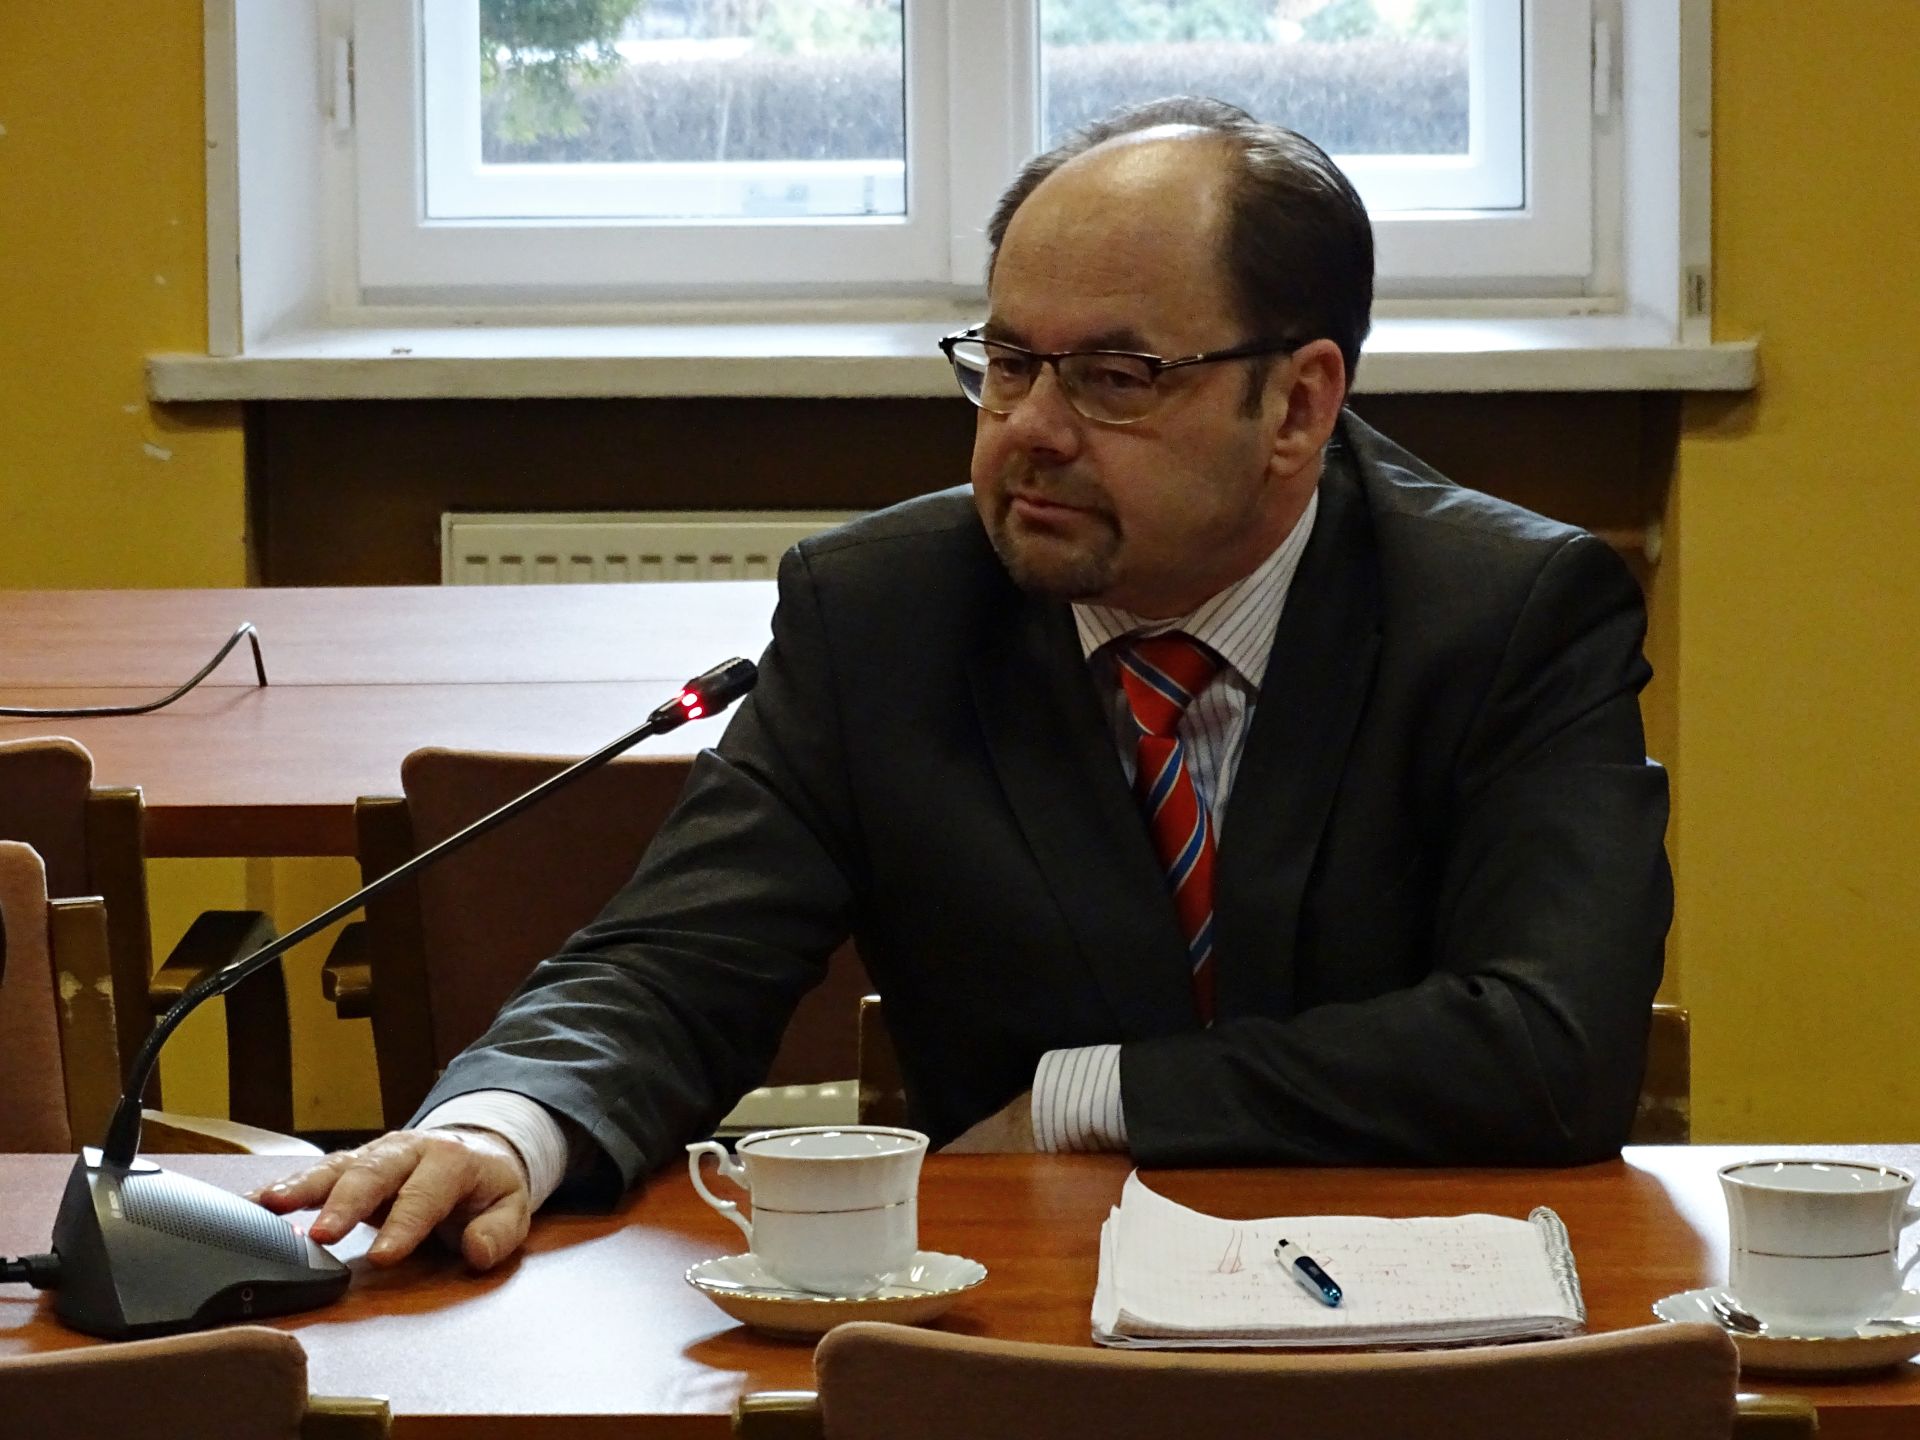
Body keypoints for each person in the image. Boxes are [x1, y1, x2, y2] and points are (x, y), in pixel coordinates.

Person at [255, 97, 1671, 1272]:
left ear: (1298, 405)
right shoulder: (883, 611)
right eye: (1006, 361)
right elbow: (673, 963)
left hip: (1424, 1310)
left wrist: (1084, 1098)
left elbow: (1549, 1048)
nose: (1029, 430)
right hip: (1021, 1312)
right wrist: (504, 1125)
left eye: (1115, 377)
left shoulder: (1507, 614)